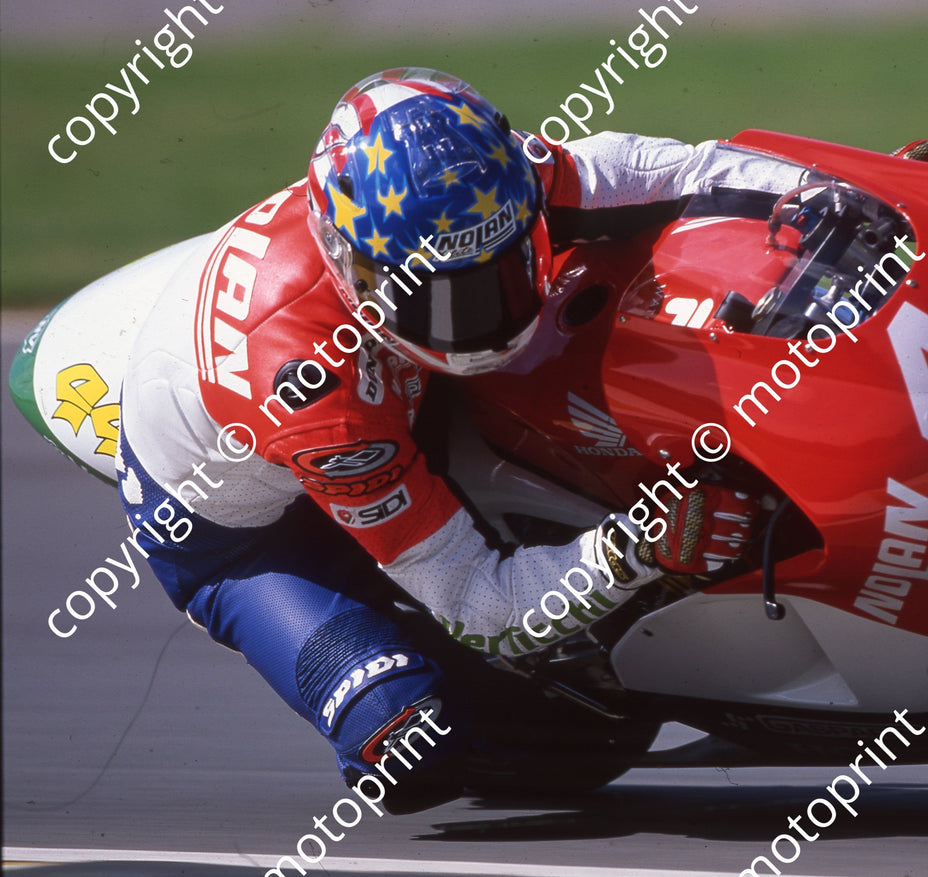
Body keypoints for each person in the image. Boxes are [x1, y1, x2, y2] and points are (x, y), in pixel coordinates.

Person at [111, 67, 814, 812]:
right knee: (411, 745)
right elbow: (477, 599)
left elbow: (687, 171)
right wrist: (637, 546)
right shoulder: (315, 394)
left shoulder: (483, 184)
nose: (486, 321)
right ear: (354, 271)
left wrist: (867, 199)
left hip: (393, 393)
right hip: (244, 536)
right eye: (436, 297)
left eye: (505, 268)